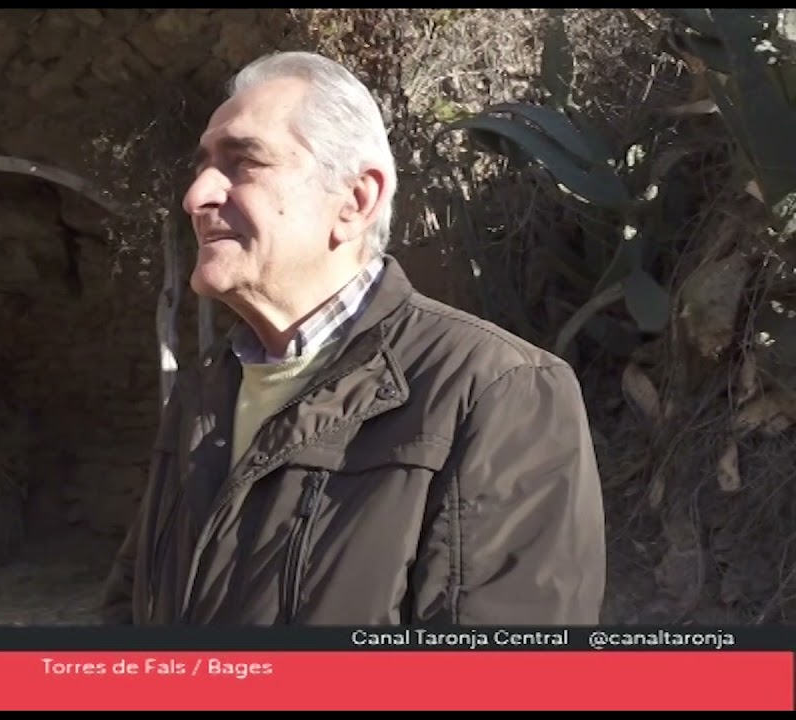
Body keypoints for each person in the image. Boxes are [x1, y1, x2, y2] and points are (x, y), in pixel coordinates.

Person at [100, 50, 606, 626]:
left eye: (243, 162)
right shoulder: (204, 391)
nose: (196, 197)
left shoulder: (497, 391)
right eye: (201, 167)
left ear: (356, 200)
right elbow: (131, 609)